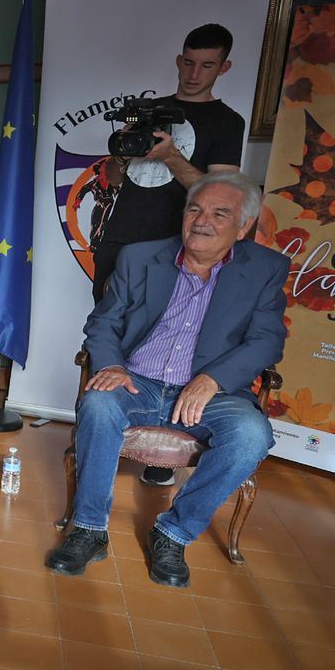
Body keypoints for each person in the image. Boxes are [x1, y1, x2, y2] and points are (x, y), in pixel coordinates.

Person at [46, 173, 286, 590]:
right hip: (138, 379)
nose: (202, 221)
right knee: (99, 404)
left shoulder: (265, 269)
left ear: (244, 226)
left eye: (219, 213)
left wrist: (213, 379)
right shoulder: (141, 257)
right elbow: (104, 322)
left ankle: (173, 533)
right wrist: (112, 365)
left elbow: (267, 340)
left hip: (213, 391)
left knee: (251, 435)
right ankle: (89, 530)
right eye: (194, 209)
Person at [87, 24, 244, 487]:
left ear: (224, 67)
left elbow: (221, 195)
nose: (195, 73)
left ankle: (162, 454)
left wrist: (171, 155)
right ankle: (103, 433)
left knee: (177, 339)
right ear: (178, 60)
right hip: (123, 240)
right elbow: (117, 179)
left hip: (184, 248)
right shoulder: (147, 112)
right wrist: (124, 153)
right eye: (189, 62)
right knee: (112, 332)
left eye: (207, 65)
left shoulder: (227, 122)